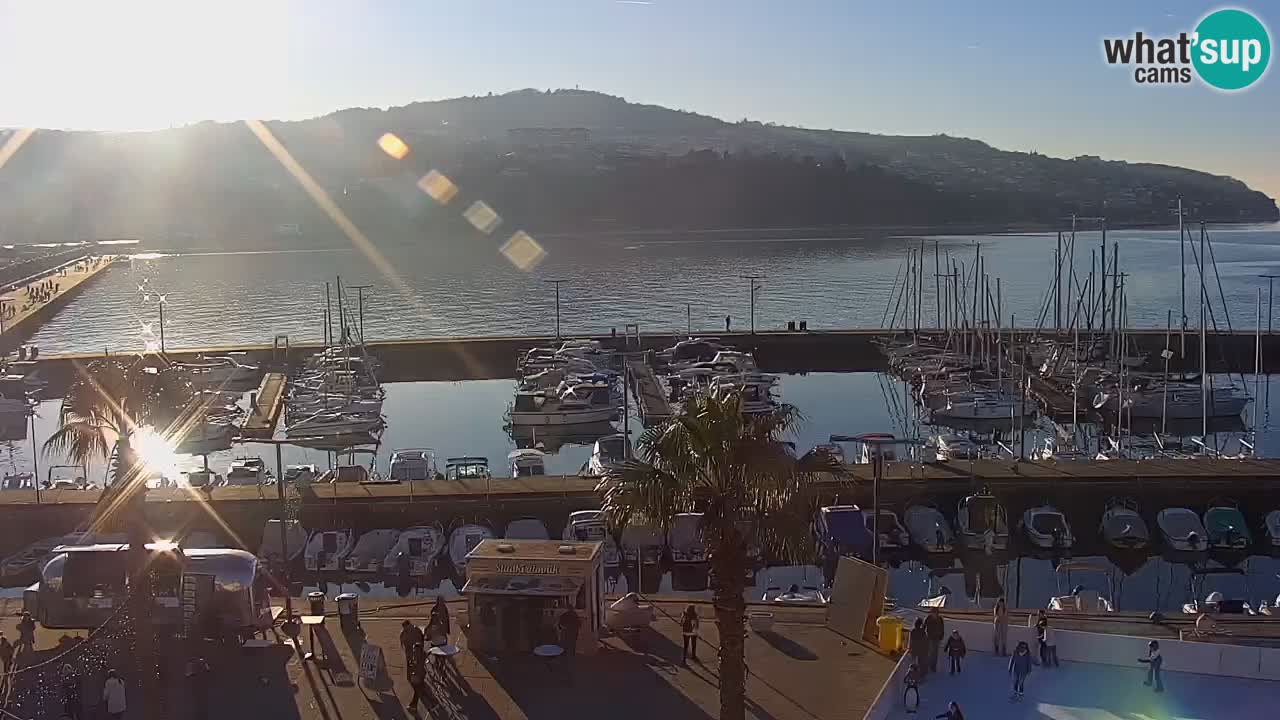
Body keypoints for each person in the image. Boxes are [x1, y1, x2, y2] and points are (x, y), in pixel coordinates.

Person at [924, 607, 944, 673]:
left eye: (936, 613)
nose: (935, 614)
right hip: (929, 638)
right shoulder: (928, 618)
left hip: (936, 638)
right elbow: (924, 626)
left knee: (935, 653)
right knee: (929, 652)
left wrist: (941, 636)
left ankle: (933, 666)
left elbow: (942, 628)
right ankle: (928, 665)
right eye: (933, 613)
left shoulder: (940, 619)